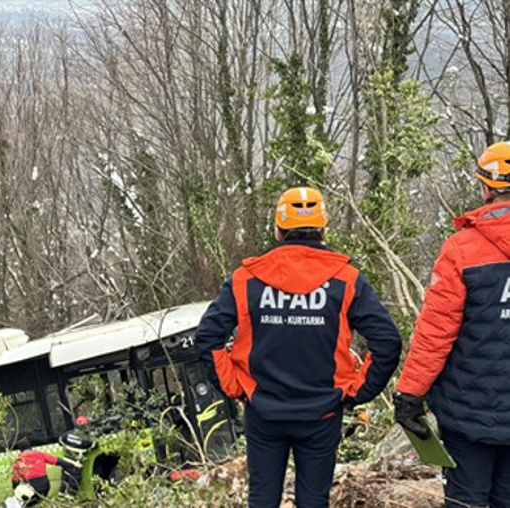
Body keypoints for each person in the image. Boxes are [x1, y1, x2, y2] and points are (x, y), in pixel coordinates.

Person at [195, 187, 402, 508]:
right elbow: (387, 341)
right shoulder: (346, 280)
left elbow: (208, 337)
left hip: (264, 410)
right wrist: (355, 392)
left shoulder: (246, 279)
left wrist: (235, 386)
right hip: (322, 411)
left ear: (278, 230)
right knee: (314, 501)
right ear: (323, 229)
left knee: (262, 500)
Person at [394, 141, 510, 507]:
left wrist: (410, 395)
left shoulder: (461, 249)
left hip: (468, 412)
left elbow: (435, 334)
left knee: (466, 501)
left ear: (485, 187)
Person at [10, 437, 69, 505]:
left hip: (31, 488)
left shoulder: (18, 462)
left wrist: (15, 490)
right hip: (45, 486)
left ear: (20, 450)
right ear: (30, 447)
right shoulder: (40, 454)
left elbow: (15, 479)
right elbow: (58, 461)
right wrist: (72, 465)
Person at [58, 415, 93, 496]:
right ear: (86, 425)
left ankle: (61, 494)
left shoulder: (67, 434)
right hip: (75, 463)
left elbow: (60, 441)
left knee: (65, 478)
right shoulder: (86, 438)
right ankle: (71, 496)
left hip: (65, 461)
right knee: (75, 480)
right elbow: (92, 445)